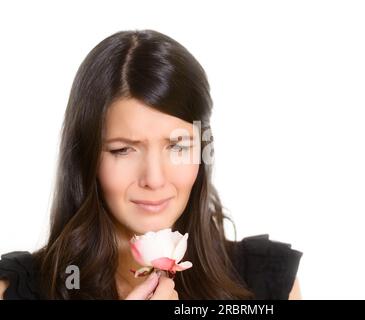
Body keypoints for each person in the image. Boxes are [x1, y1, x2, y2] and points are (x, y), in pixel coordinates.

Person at [0, 29, 302, 300]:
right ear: (86, 156)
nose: (154, 179)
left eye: (178, 146)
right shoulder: (18, 291)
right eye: (123, 150)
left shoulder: (267, 284)